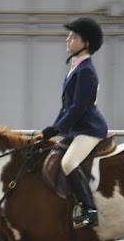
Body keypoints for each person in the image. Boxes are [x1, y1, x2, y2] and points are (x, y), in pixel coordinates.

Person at [40, 17, 107, 228]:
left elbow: (78, 107)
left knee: (68, 163)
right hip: (78, 127)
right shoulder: (76, 67)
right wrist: (53, 127)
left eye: (73, 37)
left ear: (86, 43)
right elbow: (66, 107)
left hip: (89, 128)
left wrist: (58, 128)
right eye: (68, 36)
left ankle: (90, 211)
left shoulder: (85, 70)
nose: (68, 40)